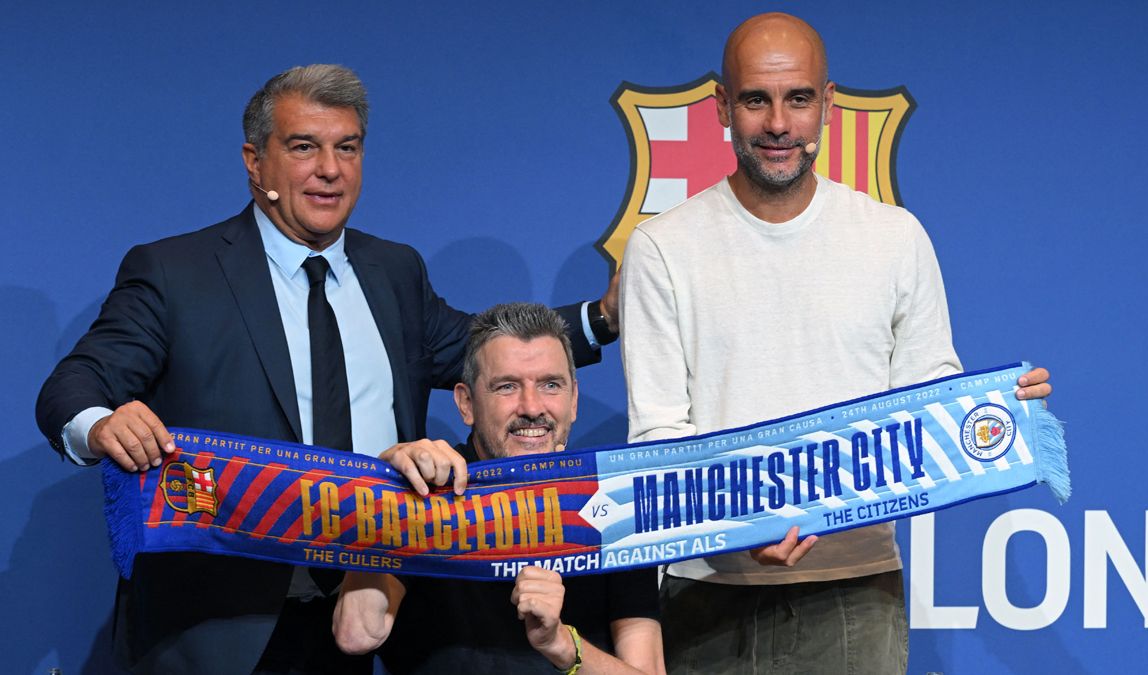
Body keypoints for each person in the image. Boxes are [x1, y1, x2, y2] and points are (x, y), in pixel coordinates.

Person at [35, 65, 618, 675]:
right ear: (255, 162)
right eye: (303, 147)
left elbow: (491, 352)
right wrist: (101, 425)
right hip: (213, 632)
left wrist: (601, 318)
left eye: (348, 147)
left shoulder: (394, 272)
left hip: (360, 616)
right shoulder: (176, 272)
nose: (330, 169)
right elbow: (75, 385)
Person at [618, 13, 1053, 674]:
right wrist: (744, 528)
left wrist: (993, 406)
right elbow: (657, 434)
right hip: (708, 590)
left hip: (858, 588)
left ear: (828, 104)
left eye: (798, 98)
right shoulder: (663, 248)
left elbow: (927, 402)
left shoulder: (894, 237)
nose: (778, 124)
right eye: (756, 100)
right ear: (723, 108)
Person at [333, 302, 665, 674]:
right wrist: (386, 497)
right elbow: (356, 635)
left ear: (573, 400)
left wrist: (560, 645)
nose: (531, 407)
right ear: (466, 403)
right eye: (507, 387)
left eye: (550, 385)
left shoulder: (616, 503)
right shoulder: (425, 492)